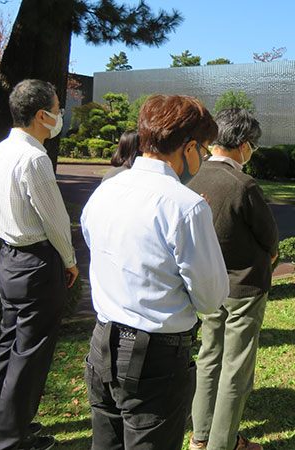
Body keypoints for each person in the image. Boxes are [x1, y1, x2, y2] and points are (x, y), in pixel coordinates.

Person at [81, 94, 229, 450]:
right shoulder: (186, 206)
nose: (203, 160)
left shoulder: (106, 189)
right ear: (189, 148)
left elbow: (92, 243)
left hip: (102, 342)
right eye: (203, 150)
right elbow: (211, 298)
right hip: (155, 356)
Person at [0, 79, 79, 450]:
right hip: (36, 262)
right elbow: (55, 220)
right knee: (30, 353)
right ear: (42, 115)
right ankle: (12, 438)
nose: (61, 115)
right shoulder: (34, 158)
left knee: (9, 342)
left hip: (8, 257)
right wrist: (70, 260)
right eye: (58, 109)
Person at [187, 107, 279, 450]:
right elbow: (270, 239)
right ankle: (223, 444)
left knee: (208, 356)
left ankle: (200, 437)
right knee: (236, 367)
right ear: (242, 145)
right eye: (252, 144)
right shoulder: (243, 184)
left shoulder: (191, 177)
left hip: (206, 285)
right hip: (244, 286)